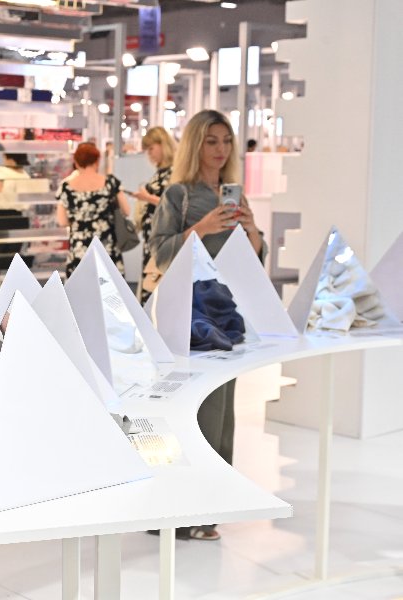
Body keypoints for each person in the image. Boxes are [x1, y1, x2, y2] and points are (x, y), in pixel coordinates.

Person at [149, 109, 265, 541]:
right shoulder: (178, 195)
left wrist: (252, 231)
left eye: (226, 141)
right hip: (191, 318)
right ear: (196, 145)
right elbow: (160, 253)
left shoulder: (235, 196)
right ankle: (179, 514)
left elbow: (253, 259)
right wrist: (199, 228)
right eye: (211, 141)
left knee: (223, 413)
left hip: (229, 317)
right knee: (196, 412)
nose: (221, 150)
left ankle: (208, 508)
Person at [55, 142, 131, 277]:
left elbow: (62, 221)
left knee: (81, 286)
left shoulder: (65, 187)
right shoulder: (110, 183)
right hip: (106, 246)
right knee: (109, 287)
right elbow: (126, 211)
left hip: (79, 248)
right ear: (97, 160)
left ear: (76, 162)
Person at [132, 126, 177, 304]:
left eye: (151, 148)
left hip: (164, 241)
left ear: (163, 145)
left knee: (158, 289)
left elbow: (176, 206)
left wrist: (147, 198)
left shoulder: (174, 173)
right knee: (151, 286)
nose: (149, 154)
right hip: (152, 239)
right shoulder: (160, 173)